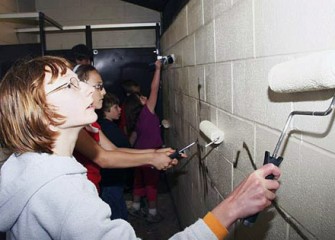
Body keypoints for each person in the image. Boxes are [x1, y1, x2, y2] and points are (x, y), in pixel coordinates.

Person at [0, 56, 281, 240]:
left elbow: (107, 154)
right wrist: (233, 206)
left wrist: (153, 155)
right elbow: (106, 159)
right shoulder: (63, 194)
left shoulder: (29, 166)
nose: (88, 91)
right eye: (70, 86)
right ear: (39, 112)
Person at [73, 64, 176, 193]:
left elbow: (113, 150)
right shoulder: (75, 125)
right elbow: (104, 159)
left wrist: (156, 153)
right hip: (80, 191)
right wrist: (152, 159)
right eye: (98, 86)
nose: (104, 92)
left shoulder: (91, 123)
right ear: (79, 87)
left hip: (93, 188)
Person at [123, 60, 169, 223]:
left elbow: (133, 138)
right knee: (151, 184)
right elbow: (154, 89)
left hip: (138, 154)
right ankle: (152, 212)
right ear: (140, 103)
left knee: (138, 180)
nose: (144, 97)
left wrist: (129, 152)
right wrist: (158, 68)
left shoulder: (134, 117)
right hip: (151, 154)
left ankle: (135, 207)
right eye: (141, 97)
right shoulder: (147, 112)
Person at [98, 93, 130, 220]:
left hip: (112, 179)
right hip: (110, 181)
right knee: (117, 216)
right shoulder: (108, 128)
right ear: (107, 110)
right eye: (116, 107)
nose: (120, 109)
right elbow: (123, 148)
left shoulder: (105, 125)